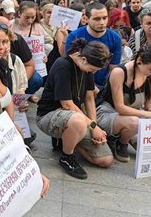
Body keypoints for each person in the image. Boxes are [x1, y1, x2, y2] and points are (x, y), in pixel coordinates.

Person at [37, 39, 114, 179]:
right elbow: (67, 105)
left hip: (74, 117)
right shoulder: (62, 65)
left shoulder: (87, 67)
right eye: (92, 69)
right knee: (78, 120)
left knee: (105, 160)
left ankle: (68, 140)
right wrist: (92, 126)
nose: (93, 72)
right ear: (83, 59)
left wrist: (94, 125)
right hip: (49, 115)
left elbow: (90, 98)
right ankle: (67, 156)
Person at [96, 45, 151, 162]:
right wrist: (147, 115)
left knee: (149, 149)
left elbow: (150, 103)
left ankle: (125, 136)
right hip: (109, 112)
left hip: (134, 114)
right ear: (139, 60)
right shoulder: (119, 72)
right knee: (135, 123)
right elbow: (120, 107)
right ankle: (121, 142)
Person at [65, 2, 122, 91]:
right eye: (97, 19)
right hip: (78, 84)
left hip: (103, 85)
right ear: (86, 19)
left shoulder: (115, 39)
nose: (102, 22)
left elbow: (113, 69)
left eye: (104, 18)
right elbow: (73, 66)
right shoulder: (74, 36)